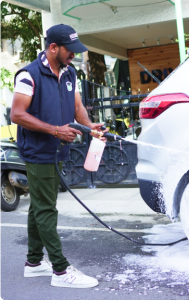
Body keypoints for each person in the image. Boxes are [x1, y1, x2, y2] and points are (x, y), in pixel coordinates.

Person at [10, 24, 107, 289]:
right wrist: (54, 130)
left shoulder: (69, 72)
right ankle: (61, 271)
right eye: (70, 50)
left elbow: (76, 106)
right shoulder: (28, 75)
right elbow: (17, 114)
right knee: (46, 209)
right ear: (53, 48)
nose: (74, 55)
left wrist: (89, 127)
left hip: (58, 151)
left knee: (40, 206)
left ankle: (33, 263)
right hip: (39, 152)